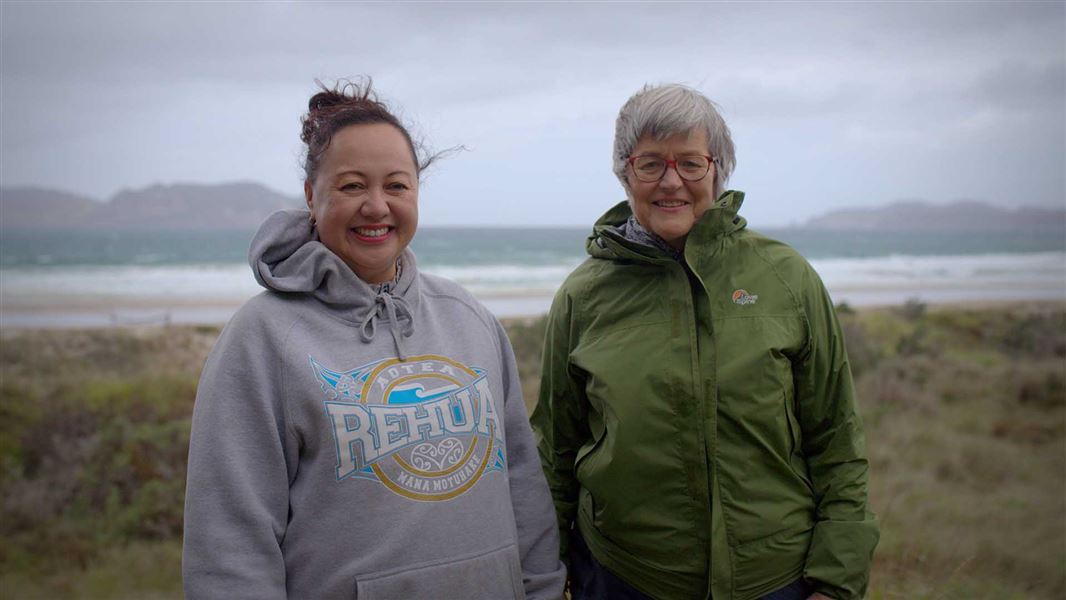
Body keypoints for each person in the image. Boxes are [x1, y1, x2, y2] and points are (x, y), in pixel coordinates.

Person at [183, 79, 566, 599]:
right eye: (351, 186)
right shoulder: (264, 339)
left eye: (396, 186)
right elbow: (230, 543)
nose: (376, 206)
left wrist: (542, 589)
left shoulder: (468, 318)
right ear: (311, 198)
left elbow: (522, 483)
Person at [531, 83, 879, 600]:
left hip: (777, 580)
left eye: (690, 163)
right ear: (626, 172)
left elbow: (838, 442)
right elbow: (556, 453)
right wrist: (546, 576)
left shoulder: (786, 277)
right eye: (651, 164)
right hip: (624, 577)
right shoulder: (584, 296)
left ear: (717, 169)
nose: (671, 181)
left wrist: (836, 579)